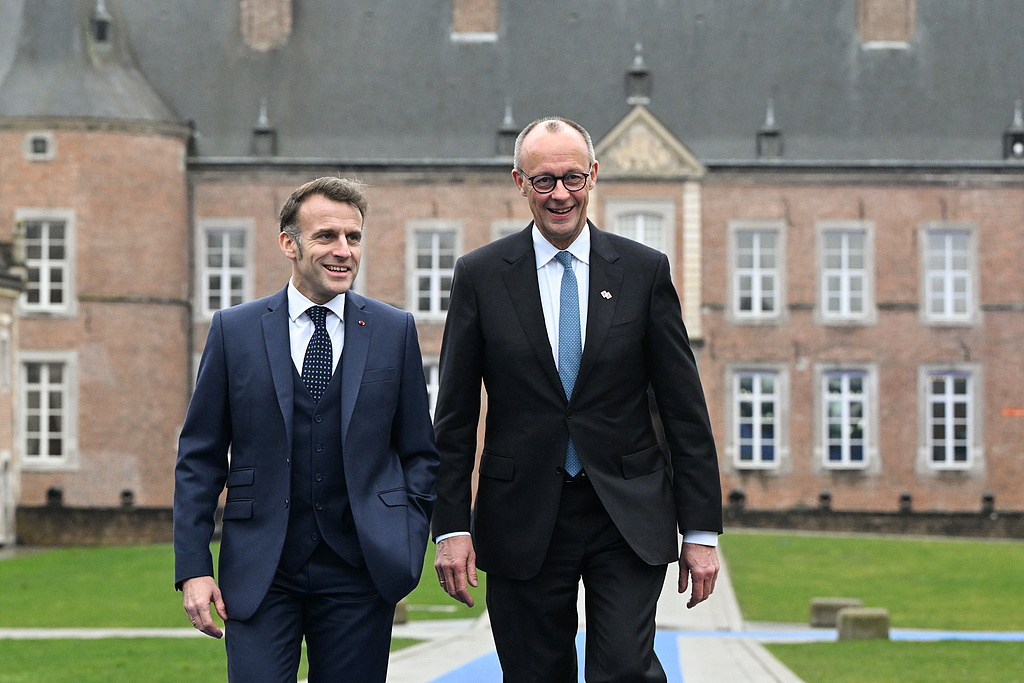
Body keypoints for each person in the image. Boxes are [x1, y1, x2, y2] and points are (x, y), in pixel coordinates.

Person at [431, 117, 723, 682]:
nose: (560, 194)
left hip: (626, 511)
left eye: (572, 178)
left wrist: (701, 531)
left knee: (625, 669)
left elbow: (684, 411)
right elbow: (455, 418)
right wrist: (450, 527)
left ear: (593, 175)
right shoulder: (480, 276)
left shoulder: (644, 271)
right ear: (520, 182)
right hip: (520, 513)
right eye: (543, 181)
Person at [173, 177, 439, 682]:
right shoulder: (234, 330)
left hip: (361, 569)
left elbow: (420, 452)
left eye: (353, 237)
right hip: (260, 568)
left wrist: (405, 533)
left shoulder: (394, 330)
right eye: (326, 236)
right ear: (288, 244)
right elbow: (199, 458)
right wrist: (193, 567)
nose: (343, 250)